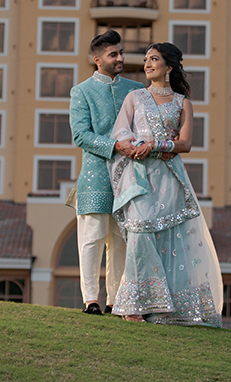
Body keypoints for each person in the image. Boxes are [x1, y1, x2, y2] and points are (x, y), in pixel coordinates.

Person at [108, 43, 223, 326]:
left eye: (154, 59)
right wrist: (136, 147)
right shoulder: (135, 98)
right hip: (138, 175)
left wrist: (157, 145)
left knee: (171, 241)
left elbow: (185, 144)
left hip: (169, 177)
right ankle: (134, 304)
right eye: (146, 59)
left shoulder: (183, 103)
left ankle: (165, 309)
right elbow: (121, 133)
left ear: (169, 67)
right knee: (140, 230)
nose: (148, 64)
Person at [69, 30, 143, 315]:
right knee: (92, 238)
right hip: (95, 176)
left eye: (121, 52)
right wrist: (116, 146)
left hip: (128, 177)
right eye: (114, 54)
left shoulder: (135, 90)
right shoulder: (82, 91)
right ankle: (91, 300)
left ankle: (116, 301)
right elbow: (81, 136)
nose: (120, 58)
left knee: (121, 240)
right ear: (97, 59)